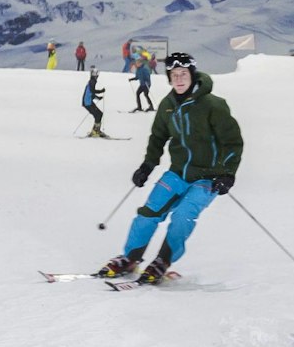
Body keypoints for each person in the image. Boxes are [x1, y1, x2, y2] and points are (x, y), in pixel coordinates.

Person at [98, 52, 242, 284]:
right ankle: (131, 258)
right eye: (174, 75)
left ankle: (162, 261)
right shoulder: (167, 105)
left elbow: (232, 141)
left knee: (183, 216)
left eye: (183, 74)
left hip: (208, 178)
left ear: (192, 76)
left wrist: (227, 174)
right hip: (177, 173)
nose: (179, 79)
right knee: (149, 212)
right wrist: (147, 165)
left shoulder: (213, 105)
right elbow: (158, 138)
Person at [81, 67, 107, 138]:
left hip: (88, 102)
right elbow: (92, 92)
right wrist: (99, 95)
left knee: (99, 114)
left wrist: (99, 94)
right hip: (87, 103)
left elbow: (91, 92)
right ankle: (95, 131)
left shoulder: (92, 81)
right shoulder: (92, 81)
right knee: (98, 115)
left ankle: (96, 130)